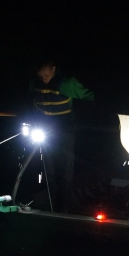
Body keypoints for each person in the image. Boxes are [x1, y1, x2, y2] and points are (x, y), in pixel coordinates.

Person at [28, 60, 95, 212]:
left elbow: (89, 97)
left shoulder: (67, 84)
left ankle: (62, 207)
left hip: (64, 130)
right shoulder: (34, 83)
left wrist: (80, 118)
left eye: (46, 75)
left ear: (53, 69)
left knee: (64, 171)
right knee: (48, 170)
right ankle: (50, 205)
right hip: (45, 130)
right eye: (41, 76)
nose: (44, 80)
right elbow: (31, 102)